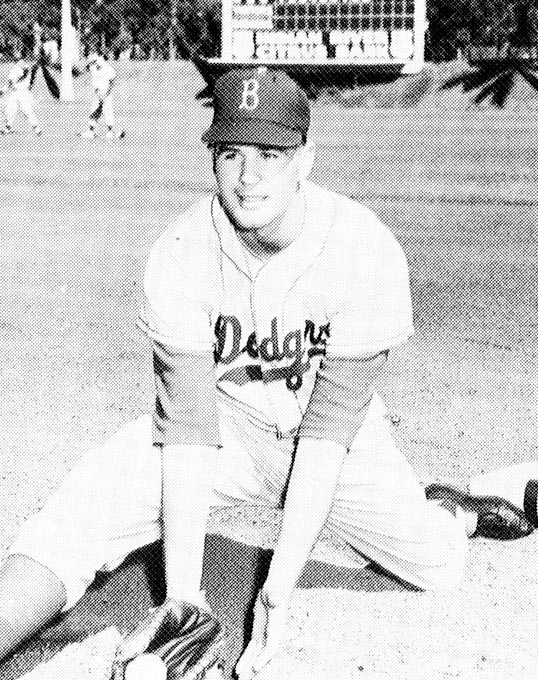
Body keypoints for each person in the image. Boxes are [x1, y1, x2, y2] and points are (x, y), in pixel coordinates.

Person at [0, 68, 531, 679]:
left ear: (305, 159)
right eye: (232, 153)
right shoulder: (181, 253)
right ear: (213, 160)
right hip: (224, 427)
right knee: (80, 512)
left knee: (435, 565)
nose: (249, 176)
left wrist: (275, 595)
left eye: (270, 154)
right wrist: (182, 595)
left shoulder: (363, 248)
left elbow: (328, 434)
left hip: (334, 440)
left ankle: (455, 508)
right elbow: (190, 431)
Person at [80, 52, 124, 140]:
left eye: (97, 60)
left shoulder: (109, 69)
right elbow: (84, 70)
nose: (96, 62)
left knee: (107, 112)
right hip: (97, 93)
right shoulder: (94, 68)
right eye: (95, 61)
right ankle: (90, 132)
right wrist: (90, 61)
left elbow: (112, 82)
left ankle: (110, 132)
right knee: (94, 112)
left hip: (106, 94)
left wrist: (105, 94)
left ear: (103, 59)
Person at [0, 58, 41, 136]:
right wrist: (2, 91)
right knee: (10, 110)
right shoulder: (14, 70)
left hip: (24, 92)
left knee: (27, 110)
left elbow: (26, 74)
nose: (20, 61)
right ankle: (7, 127)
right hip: (15, 92)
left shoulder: (26, 68)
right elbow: (10, 83)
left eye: (22, 59)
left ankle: (36, 128)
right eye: (19, 60)